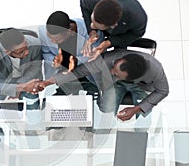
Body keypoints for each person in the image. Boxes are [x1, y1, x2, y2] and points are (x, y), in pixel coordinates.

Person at [37, 49, 169, 122]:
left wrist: (136, 109)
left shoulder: (156, 70)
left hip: (141, 87)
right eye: (114, 68)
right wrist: (50, 81)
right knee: (106, 109)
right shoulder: (110, 59)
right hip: (116, 85)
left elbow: (163, 91)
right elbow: (80, 71)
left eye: (116, 74)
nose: (111, 71)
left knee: (144, 118)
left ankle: (141, 138)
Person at [38, 10, 99, 96]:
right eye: (50, 37)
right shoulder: (42, 31)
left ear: (69, 32)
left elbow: (95, 53)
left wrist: (76, 61)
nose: (52, 41)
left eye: (57, 40)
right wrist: (53, 60)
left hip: (86, 76)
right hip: (59, 78)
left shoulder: (88, 30)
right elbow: (46, 52)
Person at [0, 28, 43, 110]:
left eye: (26, 47)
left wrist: (20, 87)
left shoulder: (36, 44)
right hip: (3, 81)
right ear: (7, 52)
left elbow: (35, 67)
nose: (27, 52)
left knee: (33, 114)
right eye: (21, 52)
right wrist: (18, 88)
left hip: (28, 80)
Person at [80, 0, 148, 61]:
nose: (91, 25)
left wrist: (109, 42)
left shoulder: (138, 19)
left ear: (113, 25)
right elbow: (84, 7)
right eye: (92, 21)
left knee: (117, 59)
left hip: (123, 31)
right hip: (101, 3)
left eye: (97, 26)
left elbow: (135, 35)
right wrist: (91, 32)